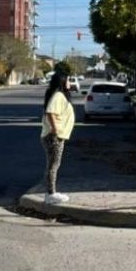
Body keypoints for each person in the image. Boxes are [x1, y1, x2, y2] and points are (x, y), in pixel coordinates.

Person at [41, 72, 76, 205]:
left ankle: (51, 192)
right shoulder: (58, 95)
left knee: (53, 164)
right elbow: (51, 113)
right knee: (53, 165)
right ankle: (50, 194)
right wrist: (56, 130)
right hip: (54, 136)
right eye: (68, 80)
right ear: (62, 82)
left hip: (56, 135)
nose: (70, 83)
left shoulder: (59, 95)